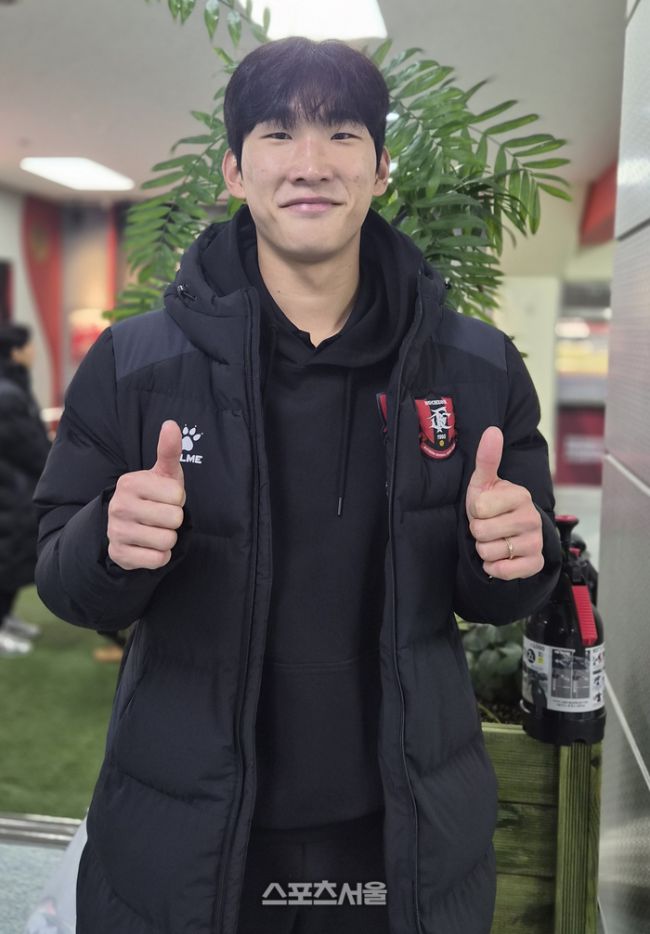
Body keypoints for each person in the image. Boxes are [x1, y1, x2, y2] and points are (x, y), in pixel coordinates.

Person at [34, 37, 562, 934]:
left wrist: (516, 553)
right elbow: (59, 577)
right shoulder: (133, 364)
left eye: (343, 135)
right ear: (235, 171)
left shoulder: (476, 368)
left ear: (381, 168)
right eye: (278, 134)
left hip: (401, 840)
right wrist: (108, 542)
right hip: (193, 838)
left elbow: (505, 589)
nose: (310, 163)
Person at [0, 323, 50, 657]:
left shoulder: (13, 385)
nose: (33, 352)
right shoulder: (7, 394)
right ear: (16, 352)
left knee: (13, 559)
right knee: (6, 559)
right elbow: (28, 447)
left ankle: (6, 618)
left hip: (15, 491)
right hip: (9, 493)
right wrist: (54, 466)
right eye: (29, 346)